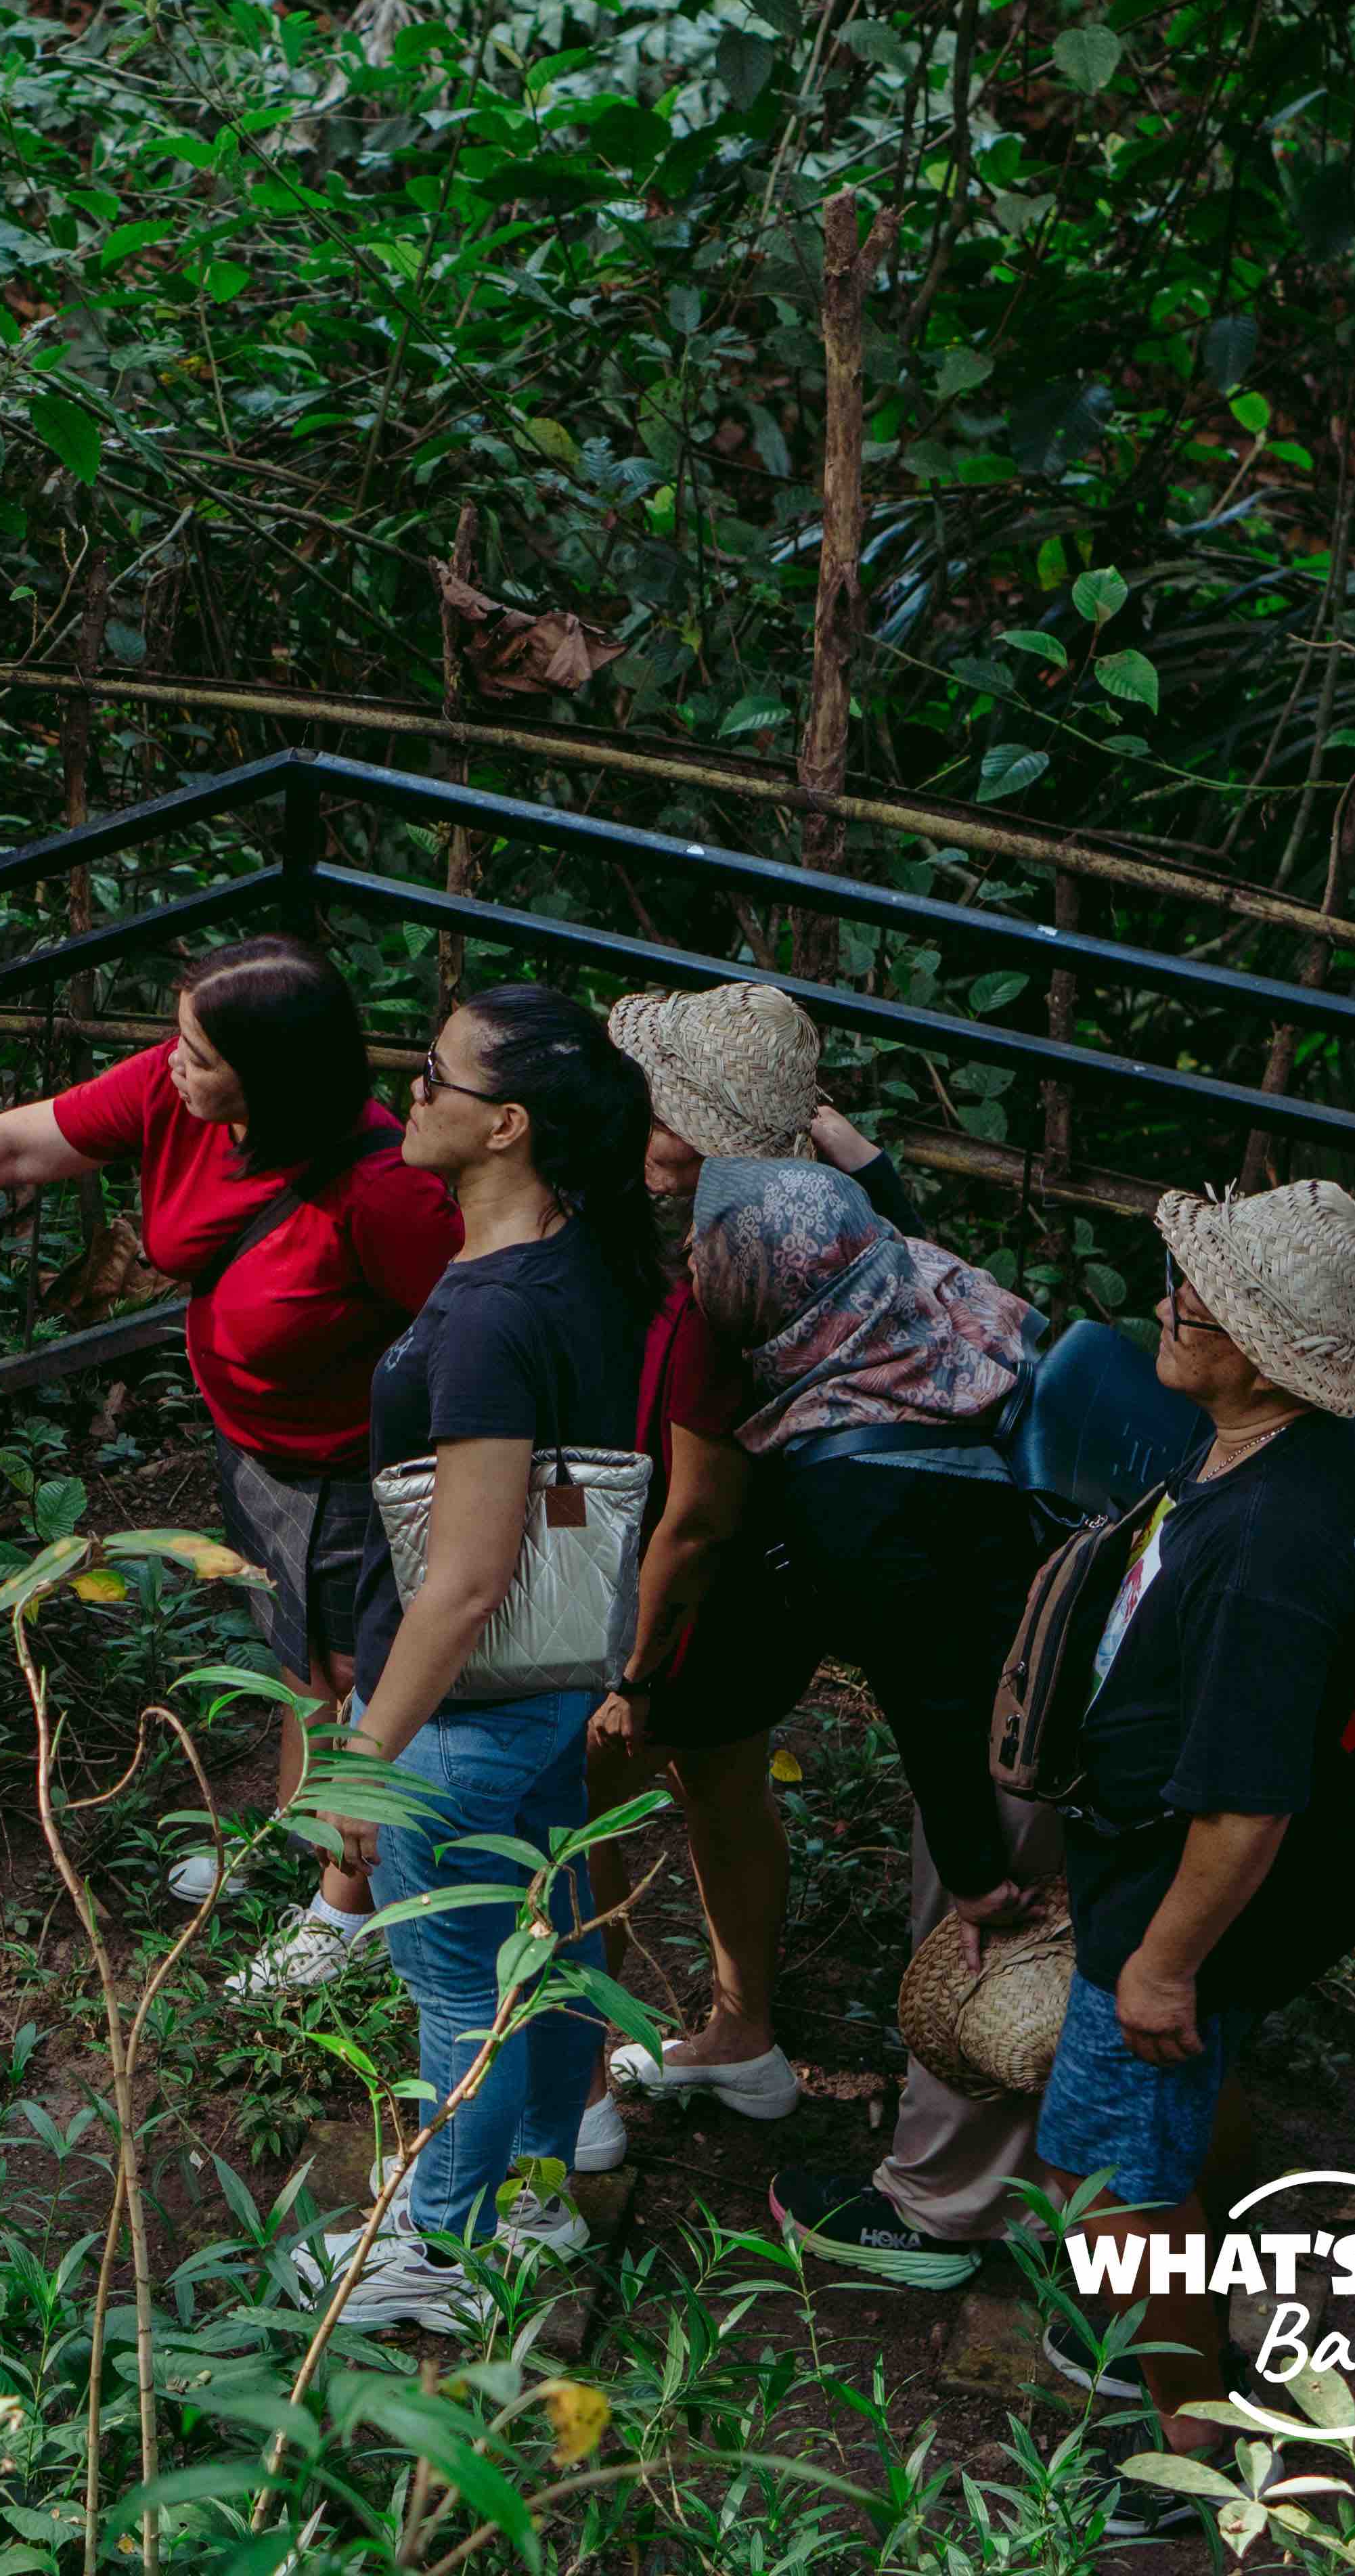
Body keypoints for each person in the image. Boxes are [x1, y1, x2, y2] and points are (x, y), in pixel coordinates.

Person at [0, 939, 461, 1993]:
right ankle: (296, 1840)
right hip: (258, 1449)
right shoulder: (181, 1099)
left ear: (273, 1077)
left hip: (354, 1472)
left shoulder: (390, 1197)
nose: (172, 1062)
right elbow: (15, 1150)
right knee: (295, 1660)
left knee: (363, 1679)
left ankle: (342, 1910)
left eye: (200, 1052)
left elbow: (470, 1342)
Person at [283, 983, 659, 2334]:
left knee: (463, 1995)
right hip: (558, 1678)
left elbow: (467, 1573)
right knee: (545, 1953)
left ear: (505, 1125)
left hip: (471, 1704)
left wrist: (364, 1763)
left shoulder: (496, 1314)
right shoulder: (587, 1258)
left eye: (432, 1075)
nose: (409, 1093)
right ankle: (537, 2188)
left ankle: (438, 2252)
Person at [1029, 1179, 1355, 2539]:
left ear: (1255, 1344)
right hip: (1250, 1872)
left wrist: (1161, 1962)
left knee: (1111, 2178)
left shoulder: (1266, 1549)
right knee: (1158, 2137)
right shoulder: (1328, 1444)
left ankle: (1193, 2431)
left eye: (1197, 1294)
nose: (1167, 1303)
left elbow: (1244, 1802)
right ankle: (1193, 2292)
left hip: (1186, 1899)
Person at [627, 1155, 1065, 2294]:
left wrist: (971, 1870)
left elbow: (936, 1693)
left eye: (710, 1255)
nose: (689, 1263)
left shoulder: (851, 1473)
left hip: (1030, 1715)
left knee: (987, 1956)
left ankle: (940, 2212)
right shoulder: (946, 1303)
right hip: (1092, 1632)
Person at [583, 981, 941, 2172]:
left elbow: (692, 1519)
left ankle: (574, 2081)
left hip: (700, 1598)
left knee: (586, 1806)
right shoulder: (838, 1221)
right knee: (727, 1790)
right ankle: (741, 2034)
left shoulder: (717, 1285)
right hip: (781, 1588)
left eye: (664, 1108)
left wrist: (627, 1667)